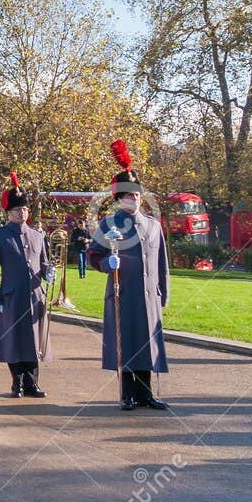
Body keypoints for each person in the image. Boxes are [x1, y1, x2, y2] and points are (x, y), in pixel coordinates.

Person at [90, 142, 170, 410]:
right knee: (127, 343)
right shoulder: (109, 224)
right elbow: (93, 255)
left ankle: (146, 393)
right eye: (127, 196)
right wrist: (106, 264)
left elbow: (161, 263)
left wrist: (163, 293)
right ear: (118, 199)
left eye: (136, 195)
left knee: (148, 344)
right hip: (123, 293)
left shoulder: (153, 225)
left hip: (148, 294)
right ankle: (128, 394)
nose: (133, 199)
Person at [0, 173, 52, 398]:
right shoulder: (0, 236)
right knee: (14, 340)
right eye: (17, 210)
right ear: (8, 213)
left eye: (24, 209)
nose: (22, 213)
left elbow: (43, 263)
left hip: (34, 296)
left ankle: (33, 382)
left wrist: (48, 272)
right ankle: (17, 382)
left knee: (33, 340)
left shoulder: (36, 235)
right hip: (12, 296)